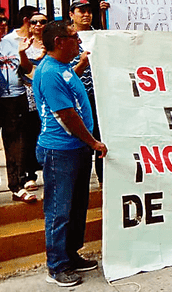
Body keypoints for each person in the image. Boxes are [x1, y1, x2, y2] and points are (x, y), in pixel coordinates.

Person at [34, 20, 108, 287]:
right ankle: (56, 266)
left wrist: (81, 65)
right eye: (74, 37)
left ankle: (71, 254)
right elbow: (66, 116)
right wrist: (93, 142)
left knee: (77, 206)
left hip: (75, 149)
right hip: (60, 151)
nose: (78, 41)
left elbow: (70, 88)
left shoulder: (63, 67)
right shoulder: (49, 72)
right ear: (59, 42)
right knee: (59, 209)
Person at [1, 5, 38, 203]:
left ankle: (16, 186)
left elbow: (25, 69)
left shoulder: (10, 43)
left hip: (13, 98)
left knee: (15, 141)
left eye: (4, 21)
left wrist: (23, 53)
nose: (2, 24)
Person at [68, 0, 104, 186]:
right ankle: (80, 180)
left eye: (89, 11)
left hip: (99, 95)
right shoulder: (66, 38)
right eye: (81, 11)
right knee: (81, 138)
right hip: (77, 96)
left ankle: (103, 178)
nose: (86, 14)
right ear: (71, 14)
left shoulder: (99, 37)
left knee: (100, 135)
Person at [18, 12, 49, 191]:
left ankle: (48, 171)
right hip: (30, 96)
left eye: (42, 22)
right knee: (30, 135)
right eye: (34, 22)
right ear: (29, 25)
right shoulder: (24, 45)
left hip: (49, 96)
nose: (38, 25)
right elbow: (23, 70)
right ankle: (30, 175)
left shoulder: (53, 43)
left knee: (46, 133)